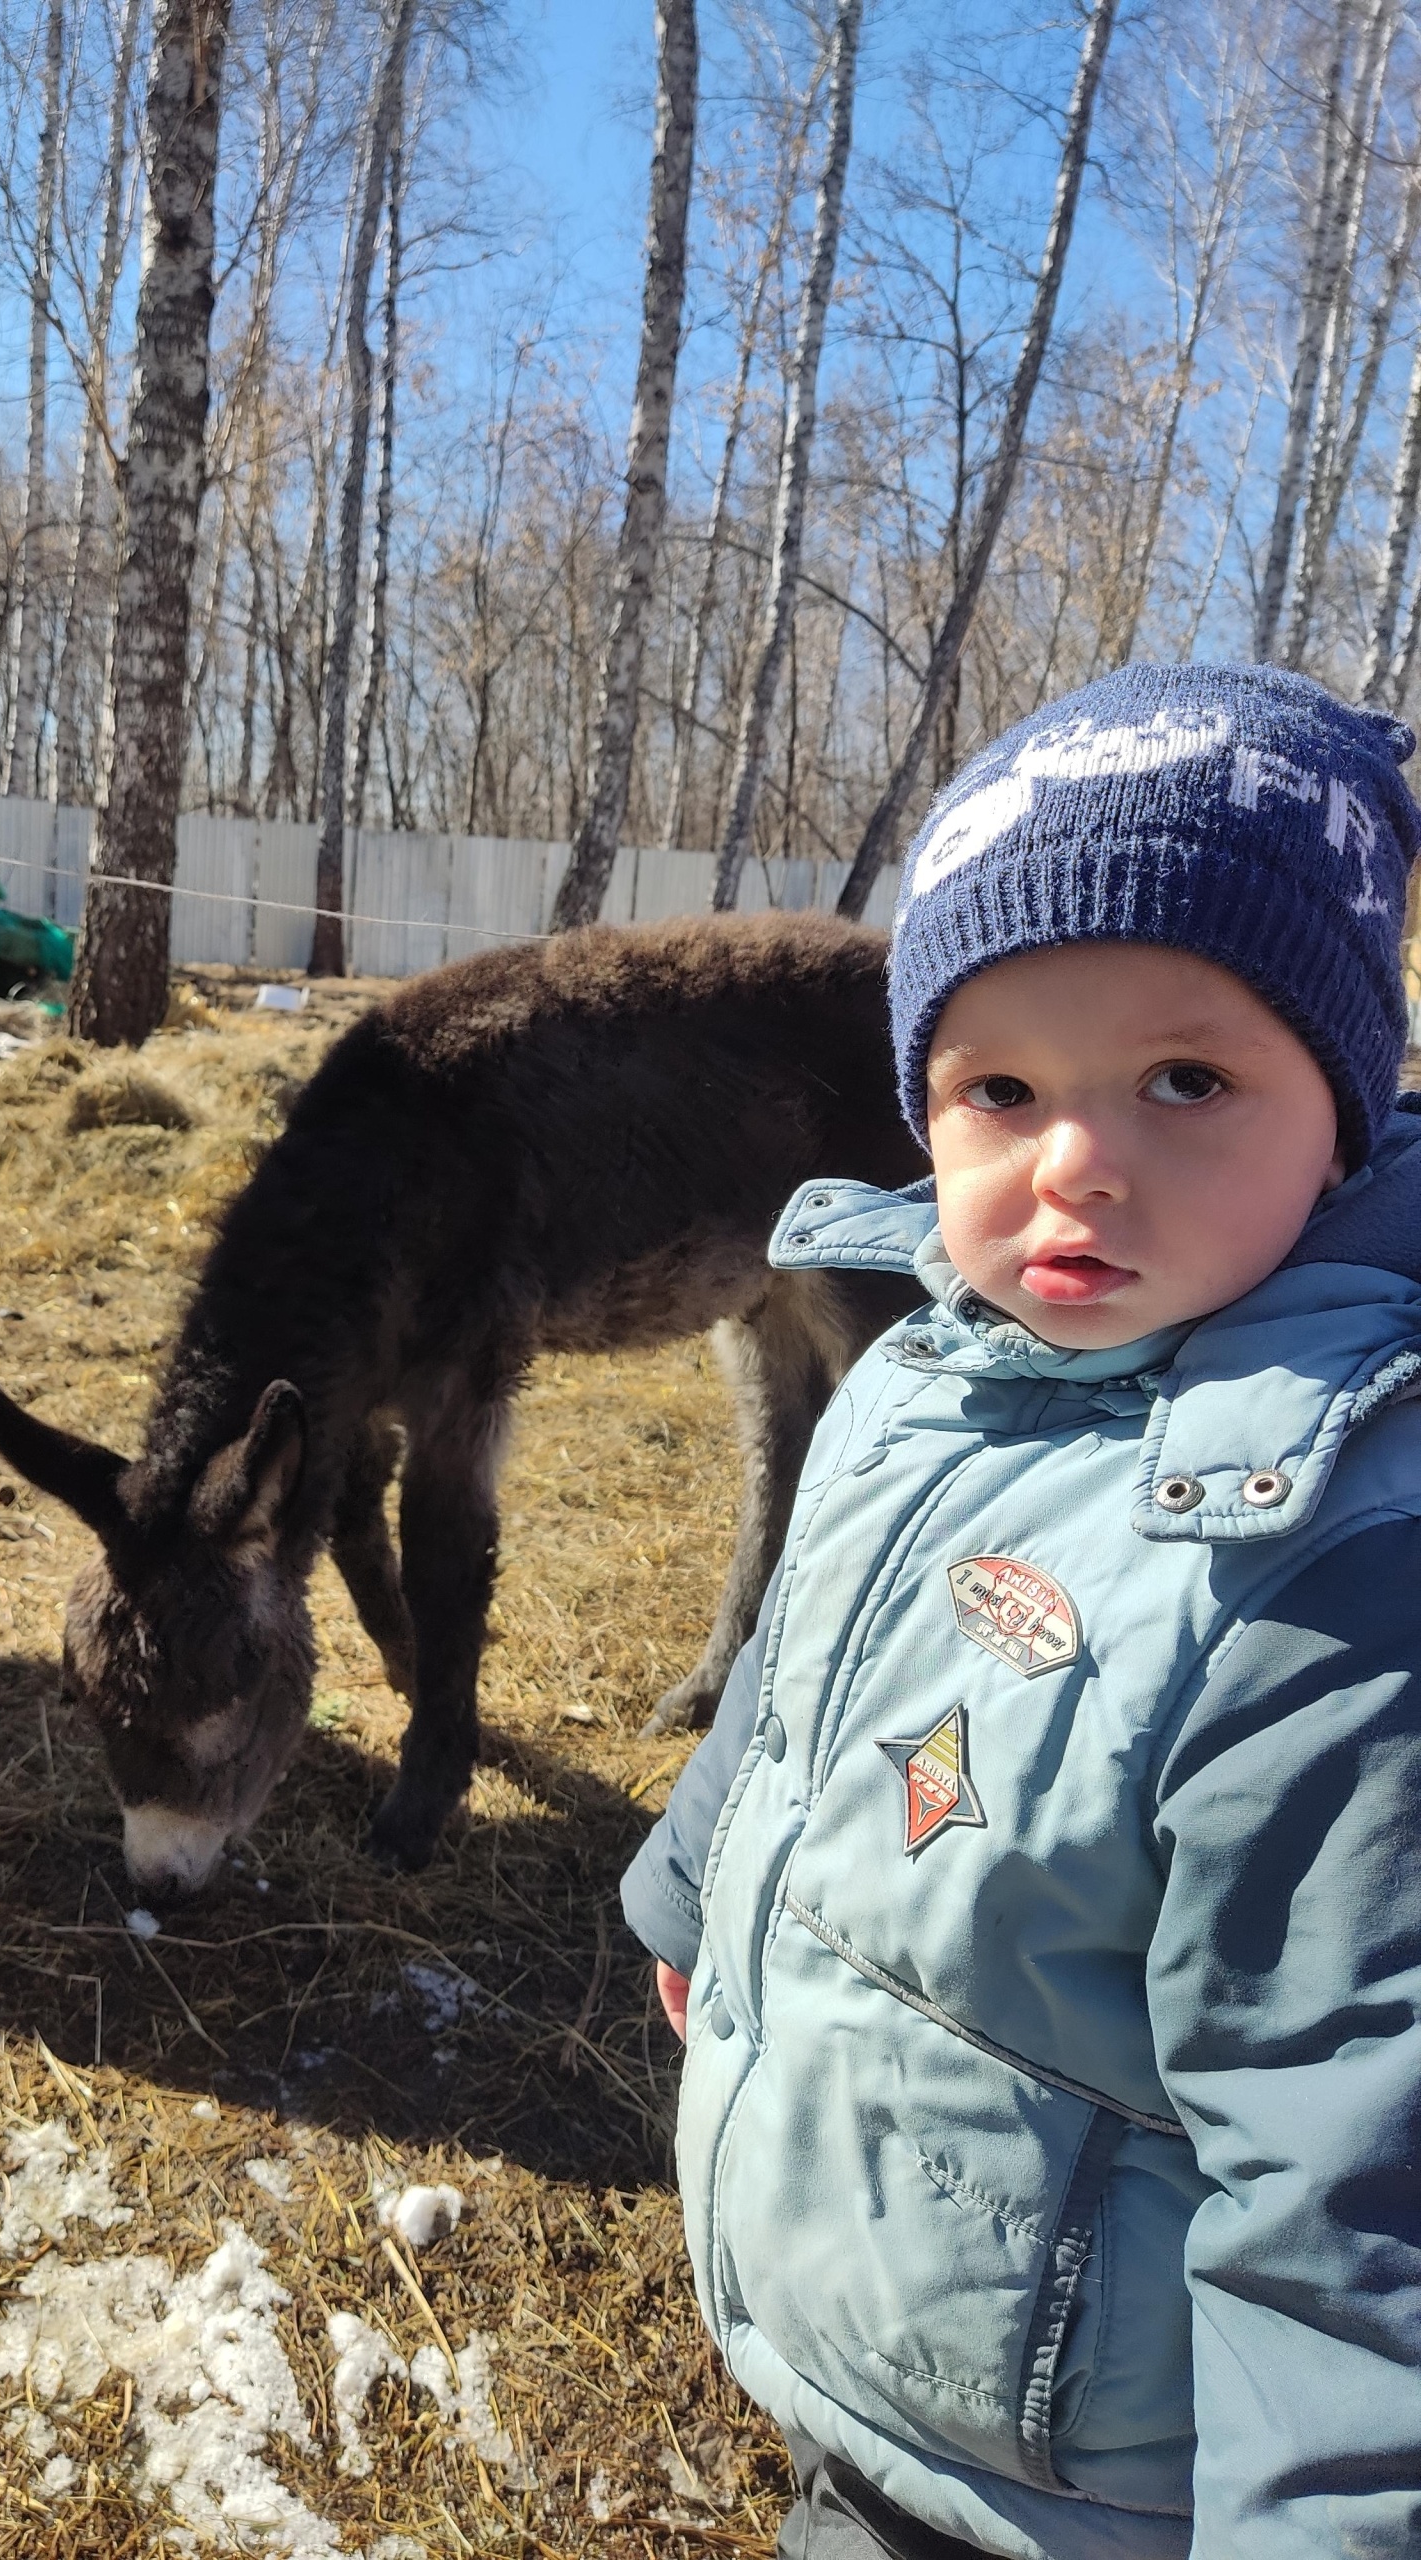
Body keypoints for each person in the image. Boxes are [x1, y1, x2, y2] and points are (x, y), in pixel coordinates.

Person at [621, 662, 1421, 2560]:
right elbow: (810, 1662)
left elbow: (1355, 2175)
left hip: (1091, 2486)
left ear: (1348, 1109)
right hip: (896, 2361)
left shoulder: (1331, 1577)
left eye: (1186, 1080)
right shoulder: (927, 1368)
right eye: (1001, 1089)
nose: (1074, 1161)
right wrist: (691, 1871)